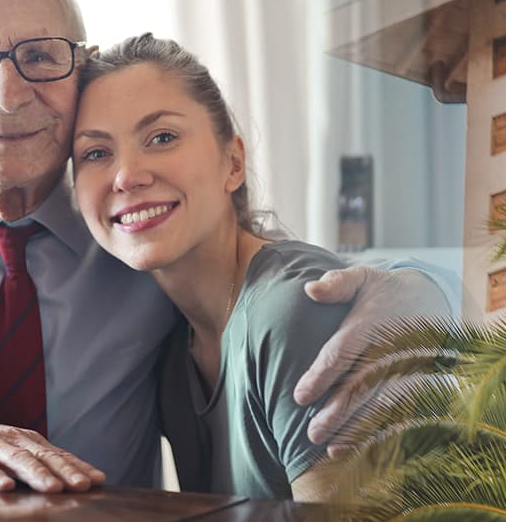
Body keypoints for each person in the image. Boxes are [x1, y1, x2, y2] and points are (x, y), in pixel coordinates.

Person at [0, 0, 454, 493]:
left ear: (77, 81)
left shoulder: (135, 231)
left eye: (40, 57)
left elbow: (286, 285)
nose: (7, 92)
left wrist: (430, 291)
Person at [73, 33, 346, 500]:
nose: (126, 176)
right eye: (96, 153)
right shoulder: (172, 347)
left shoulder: (297, 312)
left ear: (233, 162)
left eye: (162, 137)